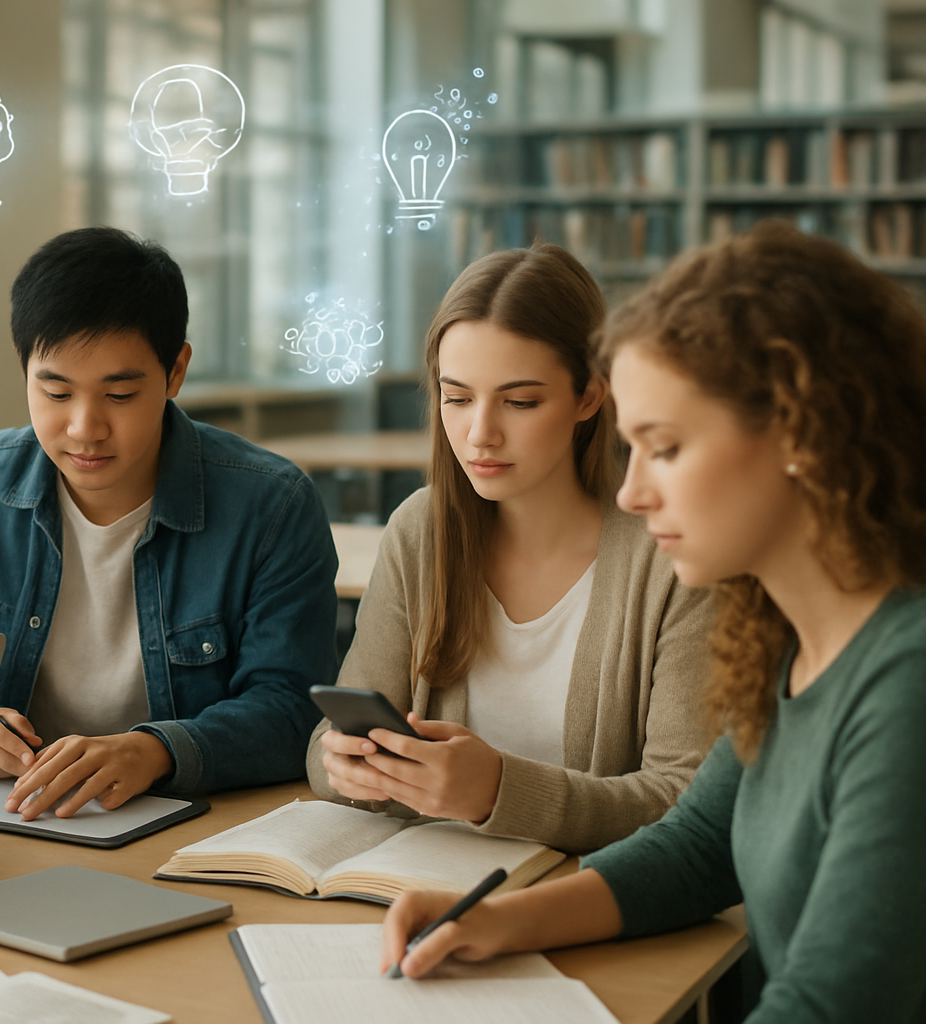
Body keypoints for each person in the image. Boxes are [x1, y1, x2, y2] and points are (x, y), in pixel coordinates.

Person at [379, 221, 926, 1021]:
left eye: (663, 448)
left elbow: (830, 1004)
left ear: (800, 435)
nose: (631, 494)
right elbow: (698, 848)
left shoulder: (905, 681)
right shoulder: (785, 641)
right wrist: (496, 921)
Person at [0, 226, 339, 819]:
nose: (84, 427)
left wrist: (156, 751)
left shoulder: (272, 505)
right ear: (24, 368)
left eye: (121, 395)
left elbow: (292, 710)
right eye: (54, 392)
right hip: (2, 819)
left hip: (184, 824)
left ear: (175, 372)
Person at [307, 243, 714, 854]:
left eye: (520, 401)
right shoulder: (420, 532)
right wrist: (344, 763)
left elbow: (684, 800)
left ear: (589, 396)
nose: (480, 434)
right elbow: (327, 751)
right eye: (457, 397)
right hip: (419, 886)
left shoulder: (671, 558)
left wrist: (497, 792)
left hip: (588, 909)